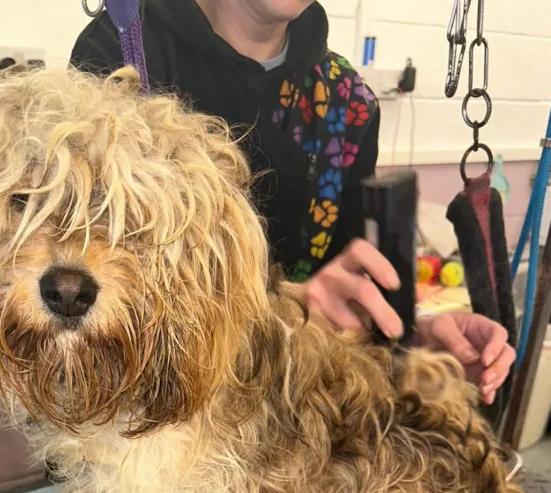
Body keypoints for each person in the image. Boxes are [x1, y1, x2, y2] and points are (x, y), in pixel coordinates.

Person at [72, 0, 515, 405]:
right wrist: (290, 309)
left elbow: (349, 293)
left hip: (286, 426)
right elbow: (85, 287)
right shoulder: (124, 57)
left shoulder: (347, 101)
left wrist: (409, 338)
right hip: (150, 419)